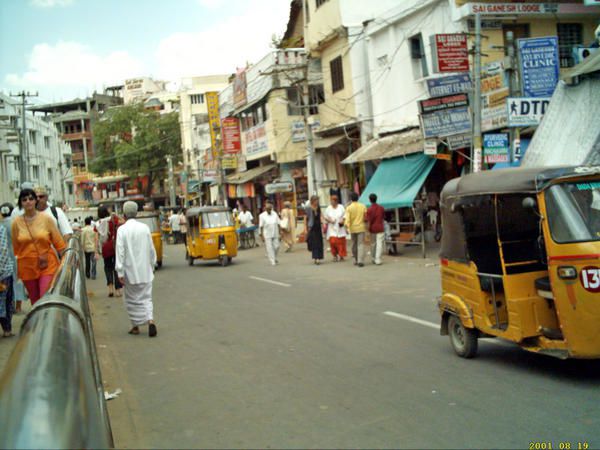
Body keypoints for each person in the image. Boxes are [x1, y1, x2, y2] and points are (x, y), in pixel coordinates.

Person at [11, 188, 66, 304]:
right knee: (35, 301)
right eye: (24, 199)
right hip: (27, 267)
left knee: (44, 298)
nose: (28, 201)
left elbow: (59, 243)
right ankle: (38, 322)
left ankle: (48, 321)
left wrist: (66, 264)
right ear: (21, 203)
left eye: (31, 198)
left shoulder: (46, 219)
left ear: (36, 201)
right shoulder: (16, 223)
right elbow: (15, 248)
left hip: (47, 264)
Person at [116, 201, 157, 337]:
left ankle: (135, 326)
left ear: (124, 214)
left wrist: (120, 271)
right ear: (137, 213)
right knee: (147, 298)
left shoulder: (122, 230)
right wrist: (153, 264)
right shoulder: (144, 228)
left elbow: (120, 252)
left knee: (131, 299)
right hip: (145, 271)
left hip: (130, 272)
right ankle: (150, 320)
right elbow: (151, 249)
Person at [1, 203, 27, 314]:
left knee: (5, 282)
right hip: (16, 255)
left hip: (3, 257)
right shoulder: (15, 224)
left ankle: (7, 307)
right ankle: (18, 307)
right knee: (18, 280)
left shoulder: (1, 224)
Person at [97, 206, 123, 297]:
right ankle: (118, 290)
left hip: (105, 248)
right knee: (116, 267)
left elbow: (96, 236)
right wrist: (117, 216)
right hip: (114, 246)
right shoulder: (113, 219)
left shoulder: (99, 223)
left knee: (108, 268)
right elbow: (123, 222)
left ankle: (110, 289)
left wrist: (96, 251)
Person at [344, 192, 367, 267]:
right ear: (358, 198)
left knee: (354, 244)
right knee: (360, 244)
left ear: (351, 199)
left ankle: (356, 259)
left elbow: (347, 219)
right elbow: (365, 217)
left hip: (353, 228)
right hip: (361, 227)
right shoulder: (363, 206)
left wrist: (346, 227)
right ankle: (360, 260)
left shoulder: (349, 207)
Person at [0, 222, 15, 337]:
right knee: (6, 302)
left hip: (4, 271)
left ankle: (7, 329)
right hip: (4, 272)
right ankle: (7, 329)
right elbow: (3, 251)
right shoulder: (1, 228)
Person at [324, 195, 347, 262]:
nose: (331, 202)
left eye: (333, 201)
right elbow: (325, 217)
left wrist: (343, 220)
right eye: (331, 201)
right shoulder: (328, 208)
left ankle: (341, 255)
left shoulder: (341, 207)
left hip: (340, 228)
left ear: (336, 201)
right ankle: (334, 255)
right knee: (333, 242)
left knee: (341, 242)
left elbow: (345, 215)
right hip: (331, 228)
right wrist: (330, 220)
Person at [259, 201, 280, 266]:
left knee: (277, 246)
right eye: (268, 209)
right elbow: (261, 226)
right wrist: (261, 235)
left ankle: (274, 257)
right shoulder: (262, 215)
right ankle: (272, 261)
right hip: (267, 234)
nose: (269, 210)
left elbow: (278, 223)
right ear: (265, 209)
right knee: (269, 248)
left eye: (270, 209)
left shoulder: (275, 214)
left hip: (275, 232)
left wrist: (281, 232)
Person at [366, 193, 385, 265]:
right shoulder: (381, 208)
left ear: (370, 200)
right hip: (380, 227)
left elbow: (369, 220)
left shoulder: (369, 209)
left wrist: (368, 229)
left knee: (373, 244)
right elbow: (383, 217)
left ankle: (373, 257)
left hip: (373, 228)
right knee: (379, 243)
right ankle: (378, 259)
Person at [304, 195, 324, 264]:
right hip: (312, 227)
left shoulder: (318, 207)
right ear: (312, 201)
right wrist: (305, 229)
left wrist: (324, 222)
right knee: (314, 242)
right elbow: (305, 218)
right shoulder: (308, 208)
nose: (317, 202)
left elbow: (321, 215)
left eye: (317, 200)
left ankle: (319, 257)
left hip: (318, 226)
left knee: (319, 242)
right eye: (316, 200)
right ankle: (316, 258)